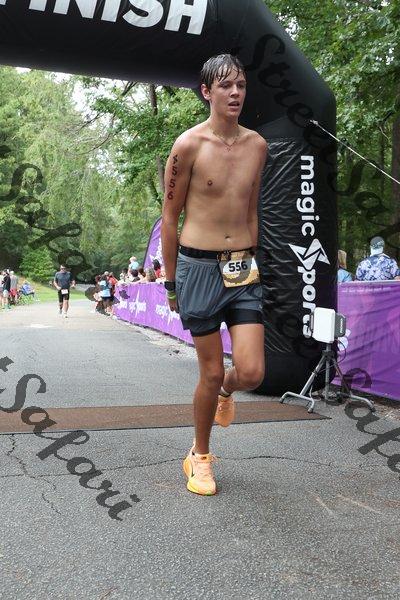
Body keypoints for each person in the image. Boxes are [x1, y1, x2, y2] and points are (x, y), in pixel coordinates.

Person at [161, 54, 267, 496]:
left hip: (242, 267)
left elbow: (252, 209)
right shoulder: (188, 145)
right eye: (225, 86)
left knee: (252, 372)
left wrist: (255, 258)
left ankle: (228, 390)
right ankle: (199, 456)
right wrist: (171, 282)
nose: (235, 93)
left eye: (240, 85)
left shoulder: (258, 146)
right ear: (207, 92)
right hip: (198, 268)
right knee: (208, 371)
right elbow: (170, 217)